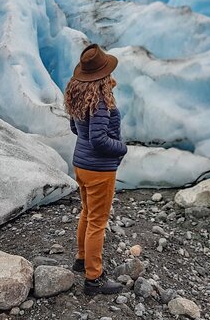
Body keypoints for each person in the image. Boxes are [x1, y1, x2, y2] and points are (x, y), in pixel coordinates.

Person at [64, 43, 128, 295]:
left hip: (81, 165)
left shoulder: (80, 95)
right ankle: (94, 278)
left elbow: (75, 129)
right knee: (98, 222)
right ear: (103, 75)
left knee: (87, 213)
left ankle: (81, 259)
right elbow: (99, 139)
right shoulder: (100, 101)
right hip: (99, 170)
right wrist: (121, 147)